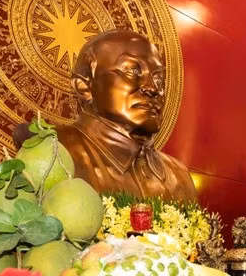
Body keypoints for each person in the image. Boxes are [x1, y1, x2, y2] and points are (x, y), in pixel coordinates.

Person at [54, 29, 197, 202]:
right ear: (84, 87)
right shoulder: (55, 152)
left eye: (159, 79)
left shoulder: (178, 175)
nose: (152, 88)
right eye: (133, 71)